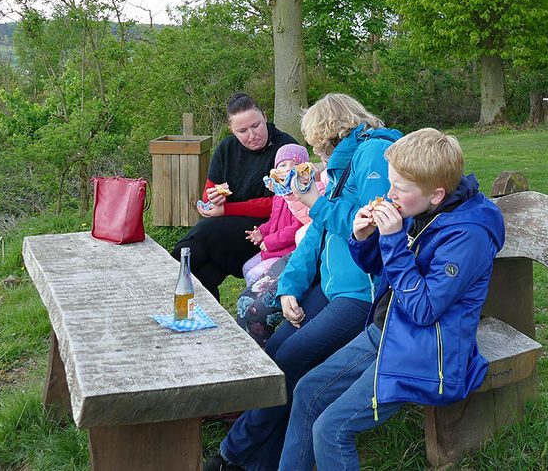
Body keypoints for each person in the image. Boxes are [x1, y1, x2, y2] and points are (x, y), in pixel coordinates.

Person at [277, 128, 506, 471]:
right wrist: (363, 237)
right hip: (388, 329)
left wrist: (394, 240)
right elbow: (381, 267)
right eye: (391, 182)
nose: (390, 193)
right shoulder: (422, 205)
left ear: (436, 194)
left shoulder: (468, 235)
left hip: (425, 351)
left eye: (400, 188)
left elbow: (424, 310)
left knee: (331, 429)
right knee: (308, 391)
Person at [205, 93, 402, 471]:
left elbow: (370, 229)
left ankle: (233, 455)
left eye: (315, 140)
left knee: (290, 362)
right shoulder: (343, 162)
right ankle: (252, 460)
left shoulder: (374, 154)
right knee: (277, 354)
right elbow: (317, 233)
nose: (313, 148)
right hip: (330, 288)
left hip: (364, 294)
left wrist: (314, 200)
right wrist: (290, 285)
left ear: (329, 131)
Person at [171, 92, 297, 301]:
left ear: (265, 117)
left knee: (205, 233)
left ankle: (165, 274)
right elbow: (210, 191)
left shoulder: (285, 148)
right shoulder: (226, 148)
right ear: (232, 130)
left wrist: (226, 210)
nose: (252, 134)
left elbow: (277, 204)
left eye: (256, 125)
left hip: (270, 230)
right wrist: (212, 201)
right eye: (242, 131)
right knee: (204, 273)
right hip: (229, 228)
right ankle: (205, 320)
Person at [236, 143, 322, 347]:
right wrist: (262, 232)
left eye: (294, 165)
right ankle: (257, 300)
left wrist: (269, 242)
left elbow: (296, 228)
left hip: (286, 250)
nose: (287, 170)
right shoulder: (278, 197)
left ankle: (265, 307)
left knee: (257, 273)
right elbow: (273, 221)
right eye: (282, 165)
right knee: (247, 267)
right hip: (272, 248)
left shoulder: (303, 194)